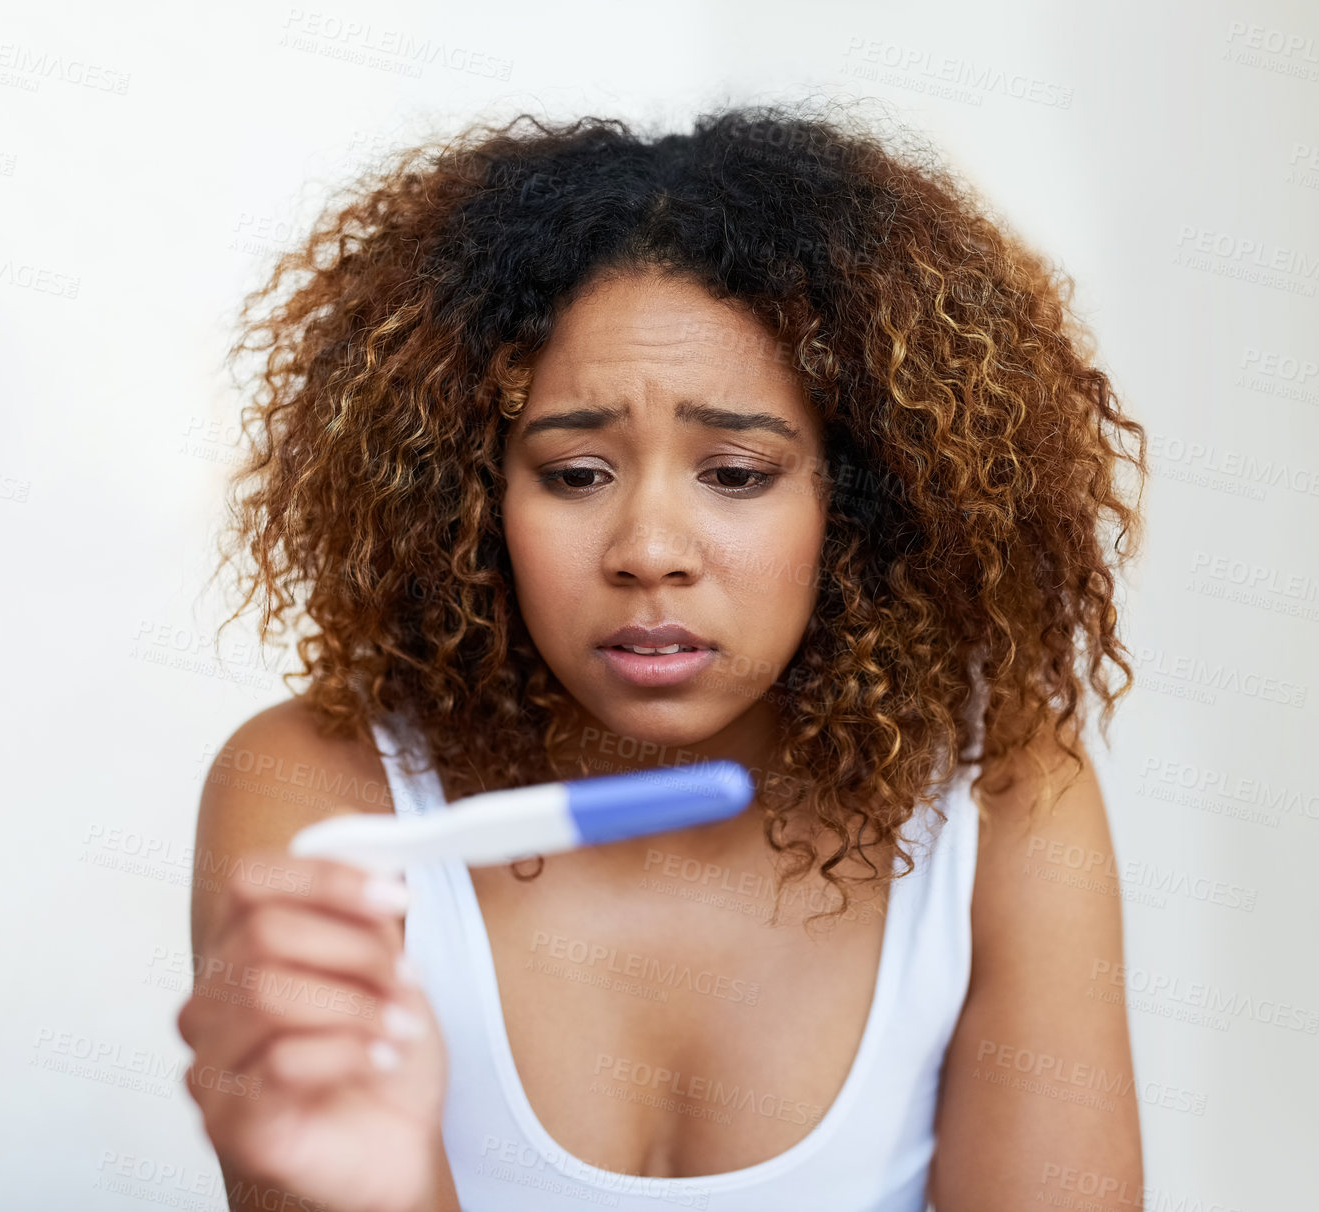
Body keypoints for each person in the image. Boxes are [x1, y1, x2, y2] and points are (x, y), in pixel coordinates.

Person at [177, 101, 1149, 1212]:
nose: (648, 554)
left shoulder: (1002, 795)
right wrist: (354, 1184)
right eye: (575, 473)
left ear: (866, 499)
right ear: (470, 496)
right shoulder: (324, 803)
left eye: (735, 474)